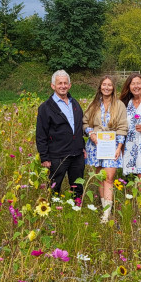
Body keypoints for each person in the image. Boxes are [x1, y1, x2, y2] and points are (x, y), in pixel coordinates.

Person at [83, 75, 128, 222]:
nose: (106, 87)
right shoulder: (94, 104)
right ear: (100, 87)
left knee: (109, 178)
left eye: (109, 85)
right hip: (96, 146)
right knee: (100, 178)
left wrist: (119, 147)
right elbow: (85, 123)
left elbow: (123, 127)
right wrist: (91, 133)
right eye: (104, 84)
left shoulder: (119, 105)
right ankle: (104, 209)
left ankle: (107, 214)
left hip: (112, 145)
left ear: (113, 87)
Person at [35, 70, 85, 198]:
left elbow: (78, 127)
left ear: (70, 85)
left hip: (77, 154)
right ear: (53, 86)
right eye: (59, 83)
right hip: (58, 155)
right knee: (53, 187)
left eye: (65, 83)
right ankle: (52, 214)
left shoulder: (75, 104)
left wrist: (82, 146)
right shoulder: (46, 107)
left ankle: (76, 210)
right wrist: (44, 157)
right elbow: (41, 134)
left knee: (77, 187)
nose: (63, 86)